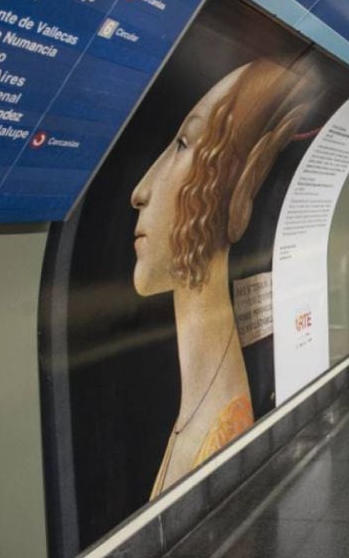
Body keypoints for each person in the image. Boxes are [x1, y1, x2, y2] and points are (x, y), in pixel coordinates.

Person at [131, 56, 318, 498]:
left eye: (183, 145)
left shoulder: (221, 425)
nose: (140, 191)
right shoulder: (200, 417)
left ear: (244, 181)